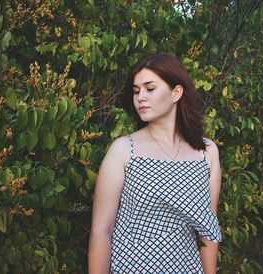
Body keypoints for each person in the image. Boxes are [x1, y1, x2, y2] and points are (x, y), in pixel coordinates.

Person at [88, 52, 222, 273]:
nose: (141, 96)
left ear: (176, 92)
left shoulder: (206, 153)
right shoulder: (123, 150)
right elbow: (102, 229)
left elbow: (208, 231)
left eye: (150, 89)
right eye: (136, 90)